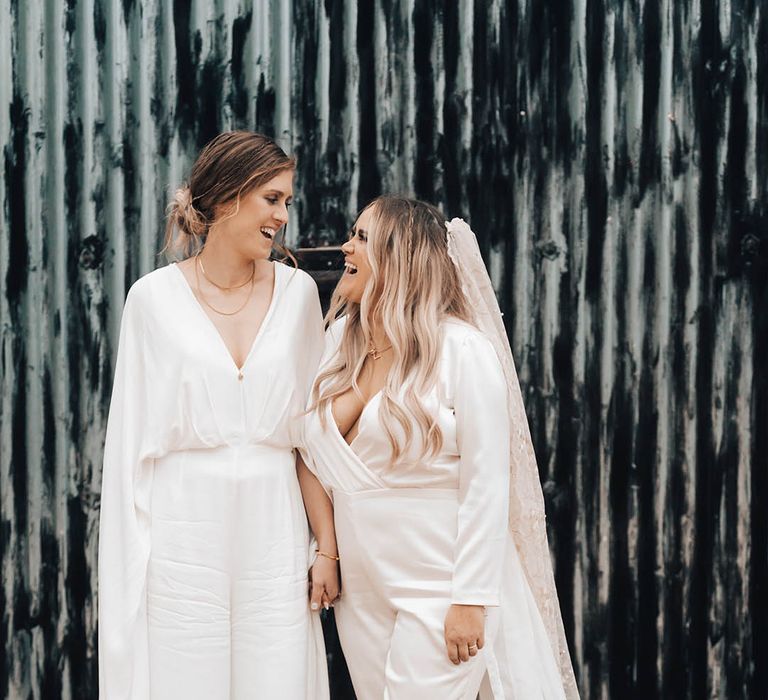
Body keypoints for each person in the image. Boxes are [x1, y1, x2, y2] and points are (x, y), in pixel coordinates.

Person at [299, 195, 579, 698]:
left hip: (439, 583)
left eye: (362, 237)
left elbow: (487, 484)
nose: (346, 247)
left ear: (401, 254)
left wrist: (471, 598)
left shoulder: (464, 350)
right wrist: (328, 551)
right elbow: (309, 452)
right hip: (361, 585)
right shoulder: (341, 338)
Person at [97, 131, 337, 699]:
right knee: (184, 678)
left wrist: (325, 548)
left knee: (275, 678)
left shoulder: (299, 292)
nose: (282, 216)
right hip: (184, 533)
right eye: (271, 199)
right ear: (228, 196)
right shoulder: (151, 300)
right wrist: (131, 568)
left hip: (274, 529)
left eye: (287, 202)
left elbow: (311, 436)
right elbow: (128, 449)